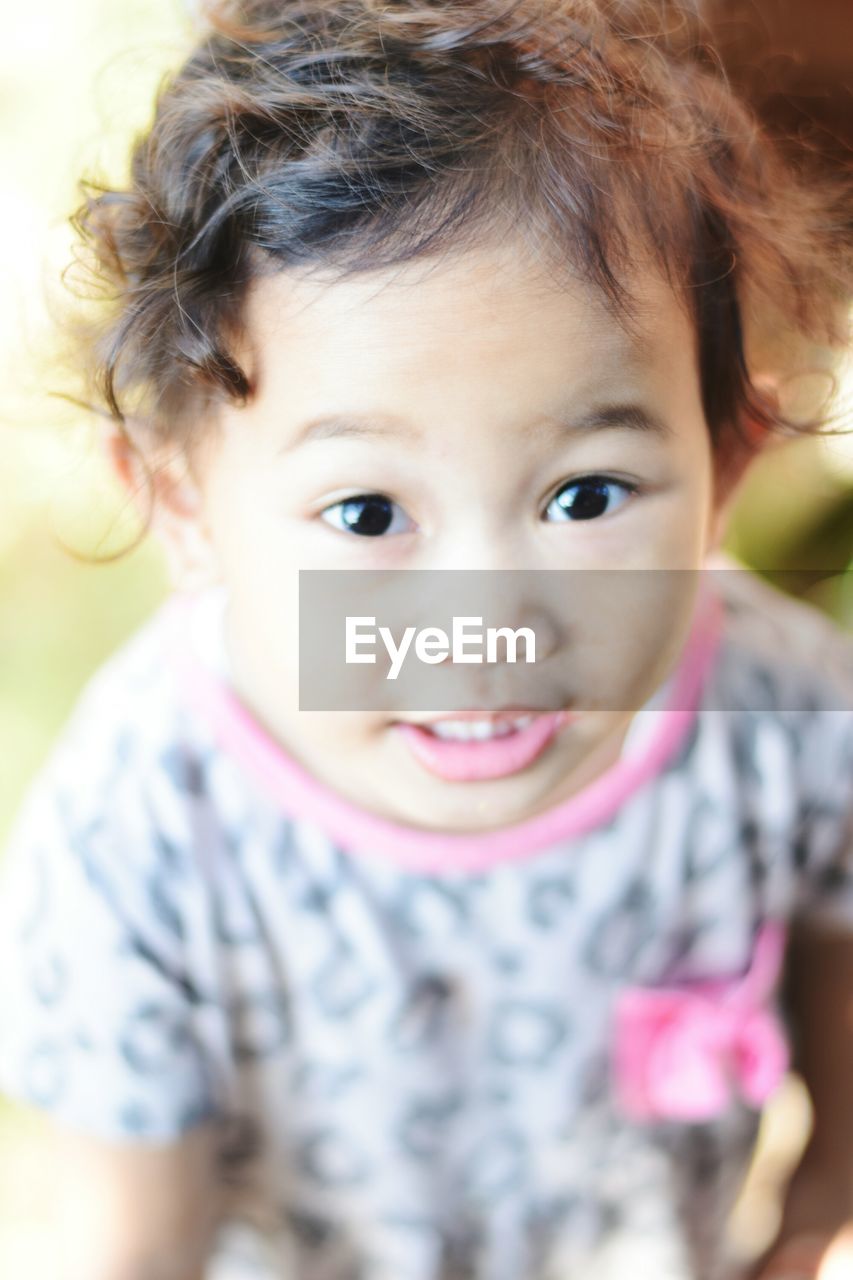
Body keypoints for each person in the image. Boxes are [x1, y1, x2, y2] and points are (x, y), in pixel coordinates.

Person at [0, 1, 852, 1277]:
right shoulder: (149, 818)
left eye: (586, 496)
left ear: (726, 456)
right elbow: (133, 1249)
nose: (486, 623)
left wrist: (799, 1230)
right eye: (366, 512)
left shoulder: (782, 715)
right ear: (183, 504)